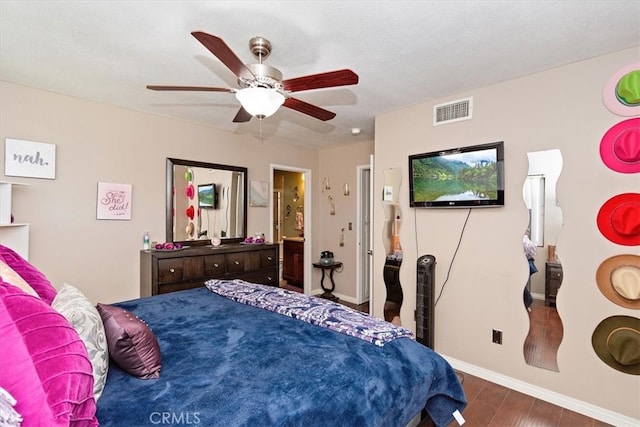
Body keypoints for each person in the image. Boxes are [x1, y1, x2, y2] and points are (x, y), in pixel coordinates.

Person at [523, 230, 538, 311]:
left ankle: (527, 301)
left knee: (521, 286)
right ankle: (527, 302)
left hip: (524, 264)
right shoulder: (524, 239)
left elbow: (531, 249)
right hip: (524, 263)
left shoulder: (524, 239)